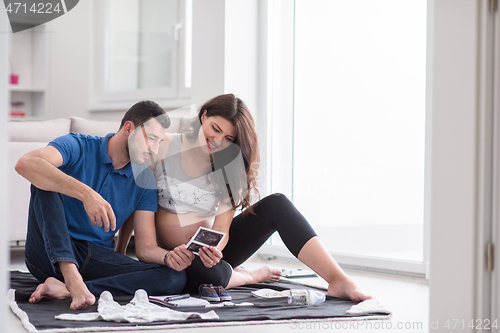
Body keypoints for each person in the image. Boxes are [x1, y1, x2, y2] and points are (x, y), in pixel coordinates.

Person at [117, 94, 371, 302]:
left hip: (210, 255)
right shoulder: (162, 146)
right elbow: (134, 199)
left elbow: (222, 229)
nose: (217, 141)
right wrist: (119, 254)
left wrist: (215, 249)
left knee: (277, 204)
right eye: (215, 129)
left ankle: (338, 279)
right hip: (172, 255)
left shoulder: (228, 166)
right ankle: (249, 276)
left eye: (228, 139)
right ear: (203, 116)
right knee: (207, 274)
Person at [15, 100, 195, 310]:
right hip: (47, 253)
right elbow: (25, 164)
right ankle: (71, 278)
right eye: (151, 139)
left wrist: (168, 256)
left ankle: (69, 288)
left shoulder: (145, 179)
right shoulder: (78, 145)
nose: (155, 149)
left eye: (159, 142)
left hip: (94, 256)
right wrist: (87, 194)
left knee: (174, 277)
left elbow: (145, 248)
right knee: (43, 179)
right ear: (129, 128)